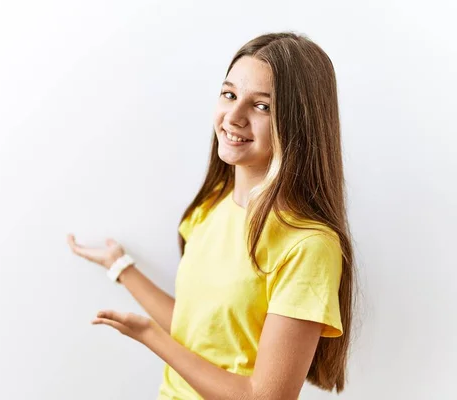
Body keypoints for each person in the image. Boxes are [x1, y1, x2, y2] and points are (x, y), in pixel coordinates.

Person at [67, 31, 355, 400]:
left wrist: (148, 336)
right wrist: (120, 266)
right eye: (229, 94)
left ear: (299, 124)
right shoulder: (211, 207)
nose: (234, 117)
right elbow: (198, 333)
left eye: (262, 106)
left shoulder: (308, 246)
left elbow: (264, 398)